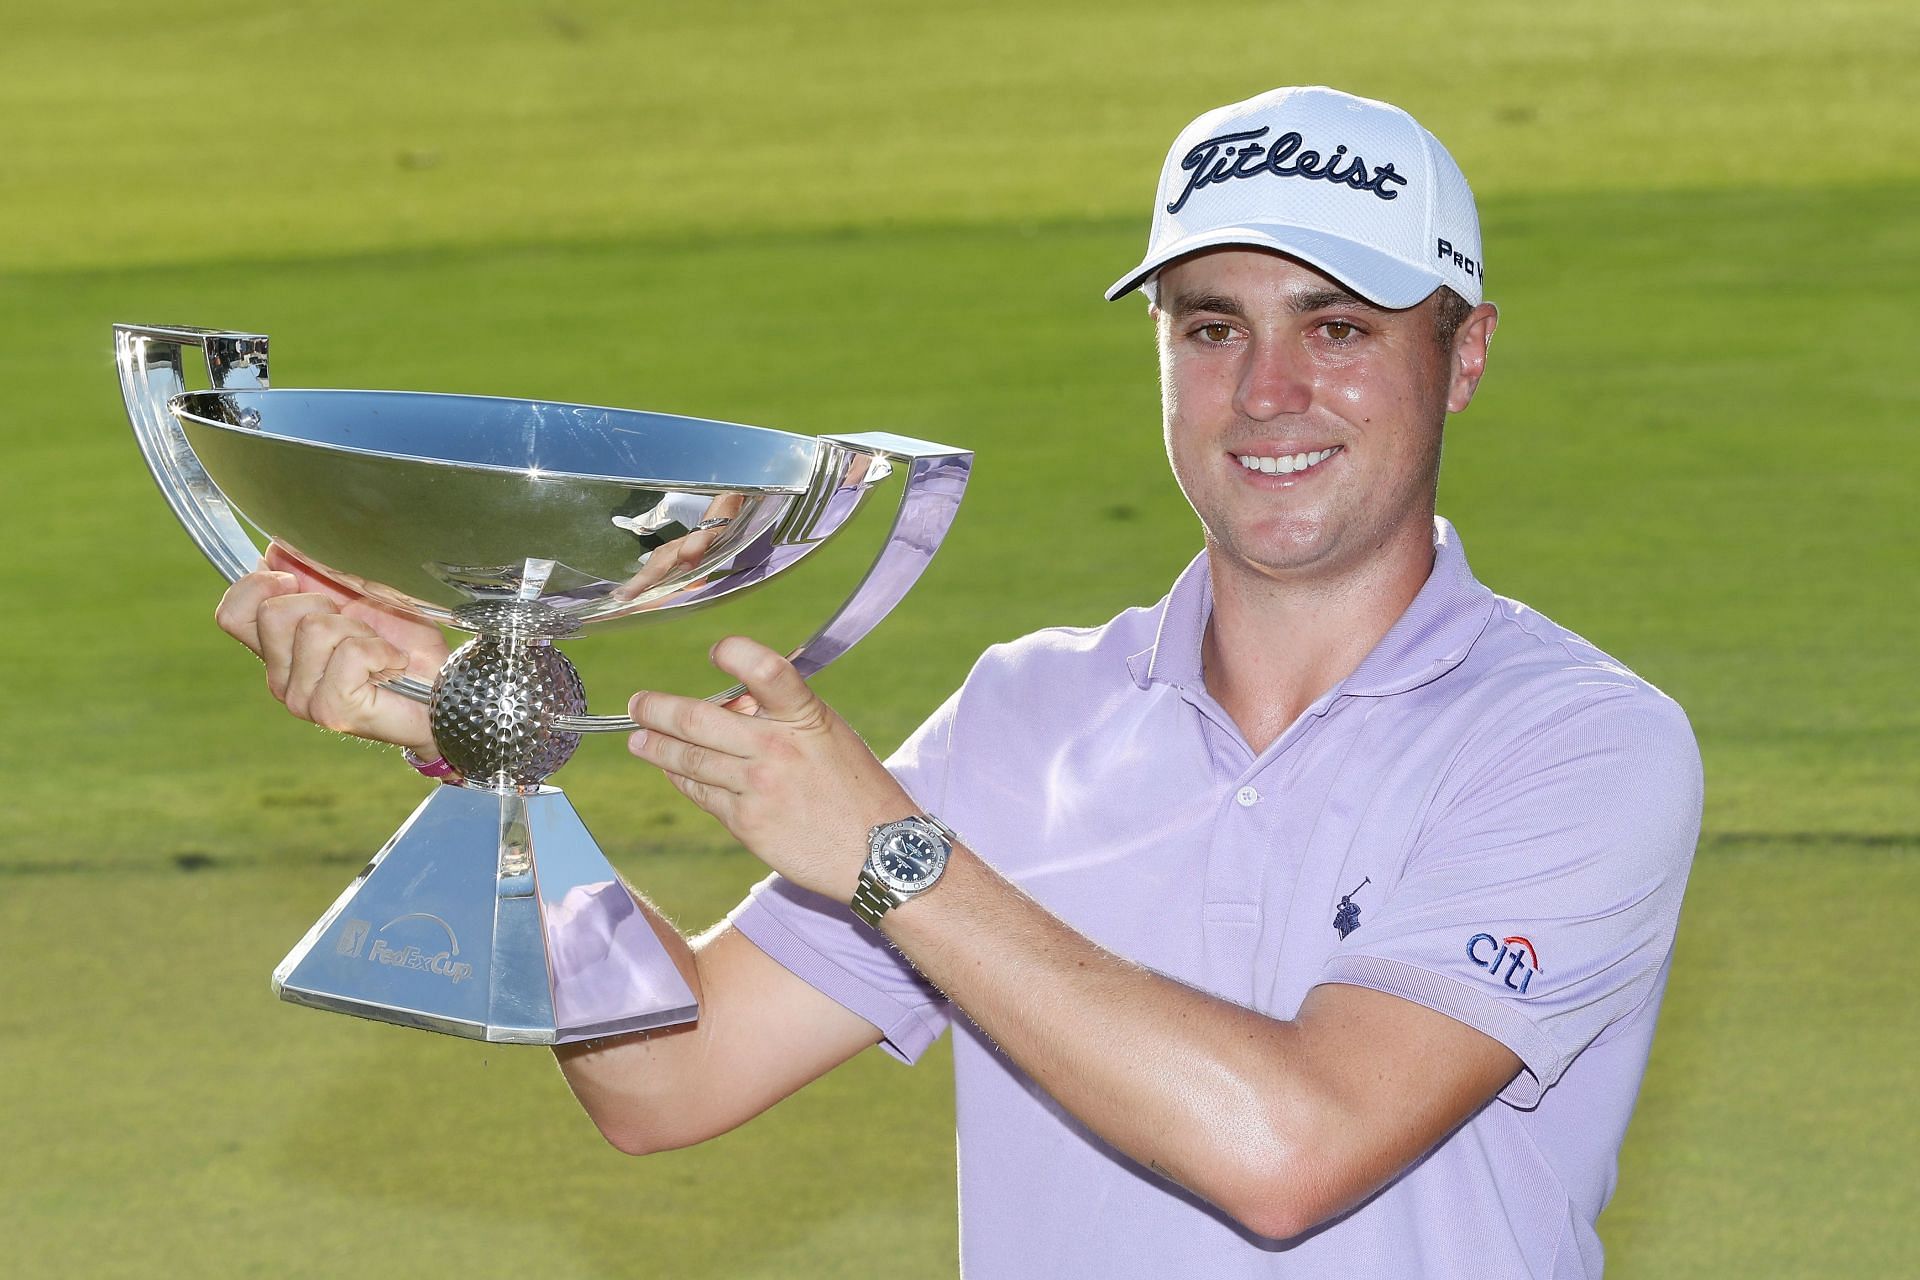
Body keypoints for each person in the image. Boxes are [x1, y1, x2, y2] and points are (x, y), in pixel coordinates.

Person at [216, 86, 1702, 1277]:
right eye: (1211, 328)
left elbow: (1291, 1154)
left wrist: (891, 859)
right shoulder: (1029, 714)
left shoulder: (1580, 745)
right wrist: (493, 752)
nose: (1269, 394)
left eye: (1340, 328)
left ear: (1464, 356)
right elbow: (666, 1084)